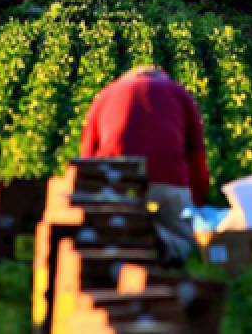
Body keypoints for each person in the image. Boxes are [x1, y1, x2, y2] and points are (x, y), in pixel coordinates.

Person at [80, 66, 210, 265]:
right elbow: (196, 152)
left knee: (118, 240)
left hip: (119, 180)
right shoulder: (178, 93)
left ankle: (125, 265)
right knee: (180, 244)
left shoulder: (107, 94)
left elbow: (88, 156)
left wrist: (91, 200)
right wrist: (198, 199)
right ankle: (172, 265)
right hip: (168, 180)